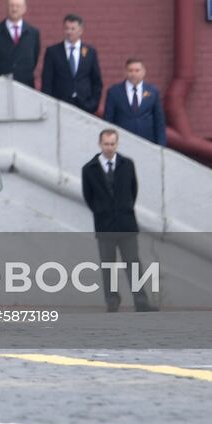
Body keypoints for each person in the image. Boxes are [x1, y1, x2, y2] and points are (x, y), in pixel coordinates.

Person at [80, 128, 155, 312]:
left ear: (117, 144)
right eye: (106, 144)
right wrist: (101, 211)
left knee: (133, 264)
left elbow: (133, 190)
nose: (109, 147)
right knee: (108, 265)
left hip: (126, 223)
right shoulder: (89, 169)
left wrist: (125, 208)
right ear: (100, 144)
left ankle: (141, 301)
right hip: (104, 225)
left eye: (112, 144)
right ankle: (112, 301)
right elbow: (88, 196)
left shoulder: (127, 164)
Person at [40, 13, 103, 114]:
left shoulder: (90, 52)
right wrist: (50, 104)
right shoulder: (53, 52)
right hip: (60, 105)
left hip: (84, 105)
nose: (69, 32)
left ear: (81, 30)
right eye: (66, 28)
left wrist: (93, 104)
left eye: (73, 29)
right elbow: (47, 81)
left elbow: (96, 81)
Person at [103, 58, 167, 147]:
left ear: (144, 72)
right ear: (126, 72)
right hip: (122, 143)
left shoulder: (153, 91)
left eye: (137, 71)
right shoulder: (114, 91)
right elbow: (108, 119)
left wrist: (161, 145)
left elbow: (159, 120)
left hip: (147, 142)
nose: (134, 74)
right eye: (130, 70)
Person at [0, 0, 40, 86]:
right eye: (11, 6)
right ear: (6, 7)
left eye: (18, 6)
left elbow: (34, 59)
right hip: (0, 86)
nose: (14, 9)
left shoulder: (33, 33)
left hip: (25, 86)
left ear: (24, 9)